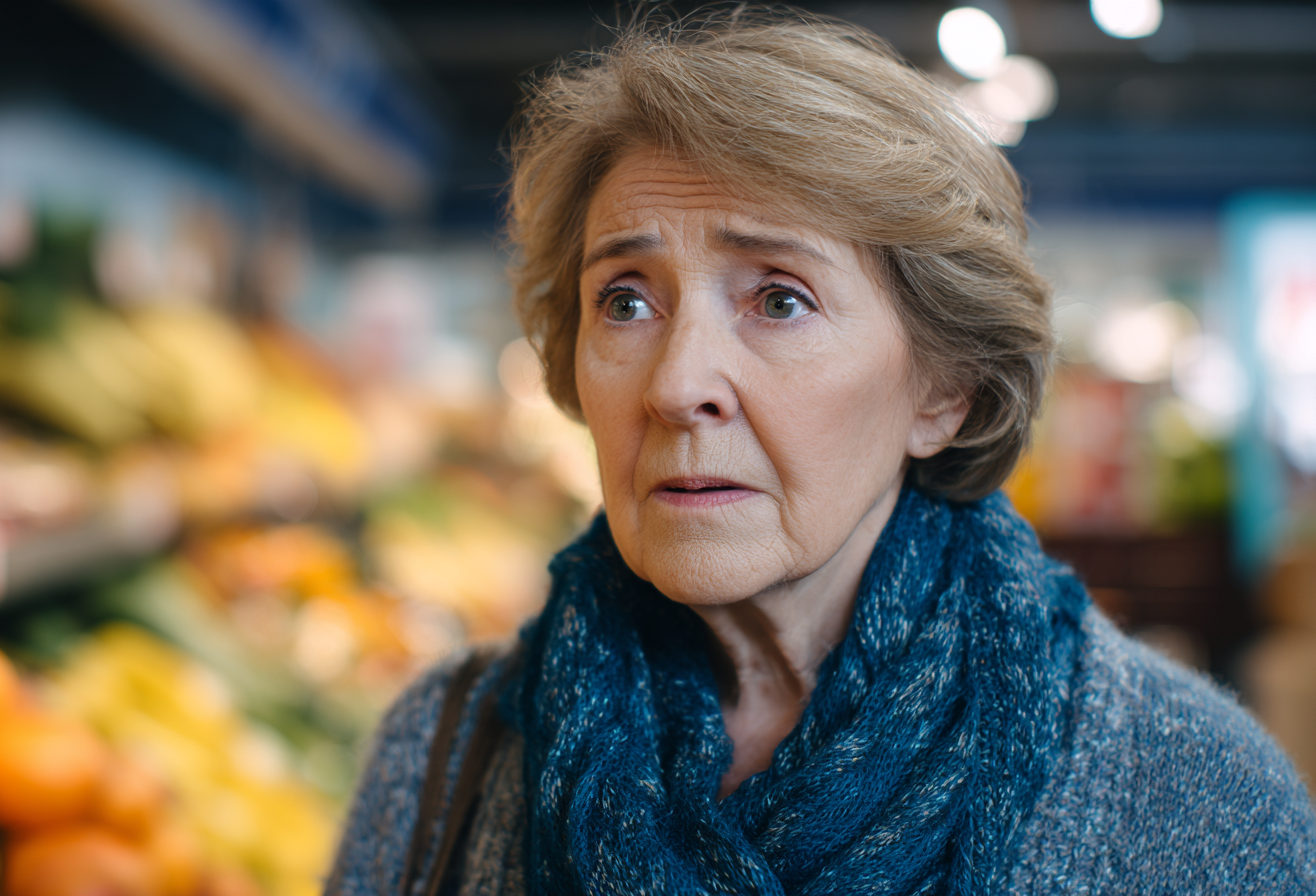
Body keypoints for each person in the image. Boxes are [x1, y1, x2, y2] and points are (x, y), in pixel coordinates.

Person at [327, 9, 1316, 895]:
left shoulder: (1188, 792)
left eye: (779, 299)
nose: (676, 384)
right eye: (625, 300)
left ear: (944, 390)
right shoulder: (443, 758)